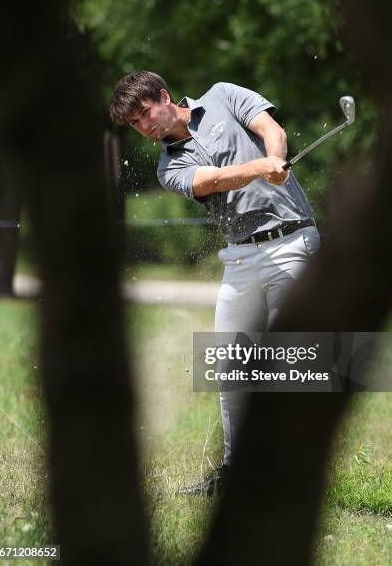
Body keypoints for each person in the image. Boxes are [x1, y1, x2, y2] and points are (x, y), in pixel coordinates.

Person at [110, 71, 320, 494]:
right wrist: (258, 167)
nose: (144, 126)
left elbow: (270, 128)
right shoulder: (169, 165)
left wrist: (276, 158)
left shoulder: (223, 96)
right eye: (135, 123)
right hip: (240, 256)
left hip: (292, 242)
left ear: (165, 97)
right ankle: (237, 473)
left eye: (145, 113)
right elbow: (211, 181)